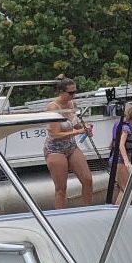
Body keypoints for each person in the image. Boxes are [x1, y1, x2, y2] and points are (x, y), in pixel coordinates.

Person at [45, 76, 94, 208]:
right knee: (61, 189)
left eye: (75, 92)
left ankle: (87, 210)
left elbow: (75, 123)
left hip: (71, 146)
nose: (74, 95)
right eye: (71, 93)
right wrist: (78, 132)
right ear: (61, 92)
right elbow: (55, 134)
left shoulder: (72, 104)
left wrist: (84, 128)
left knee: (87, 179)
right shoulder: (53, 107)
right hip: (55, 149)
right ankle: (60, 217)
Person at [108, 101, 132, 203]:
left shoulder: (118, 124)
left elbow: (112, 143)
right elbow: (121, 145)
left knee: (122, 189)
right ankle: (119, 212)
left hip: (114, 159)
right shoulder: (126, 128)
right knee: (126, 189)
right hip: (120, 161)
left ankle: (116, 210)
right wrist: (127, 162)